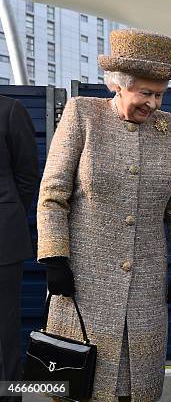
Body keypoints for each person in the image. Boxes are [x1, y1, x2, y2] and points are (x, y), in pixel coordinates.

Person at [37, 29, 171, 401]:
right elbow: (52, 194)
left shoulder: (167, 127)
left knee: (138, 384)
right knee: (78, 383)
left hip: (146, 281)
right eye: (145, 93)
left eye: (160, 94)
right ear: (119, 86)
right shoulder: (83, 114)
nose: (154, 103)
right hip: (83, 279)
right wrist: (55, 258)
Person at [0, 95, 38, 400]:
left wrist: (7, 219)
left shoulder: (10, 110)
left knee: (4, 336)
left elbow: (27, 178)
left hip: (2, 244)